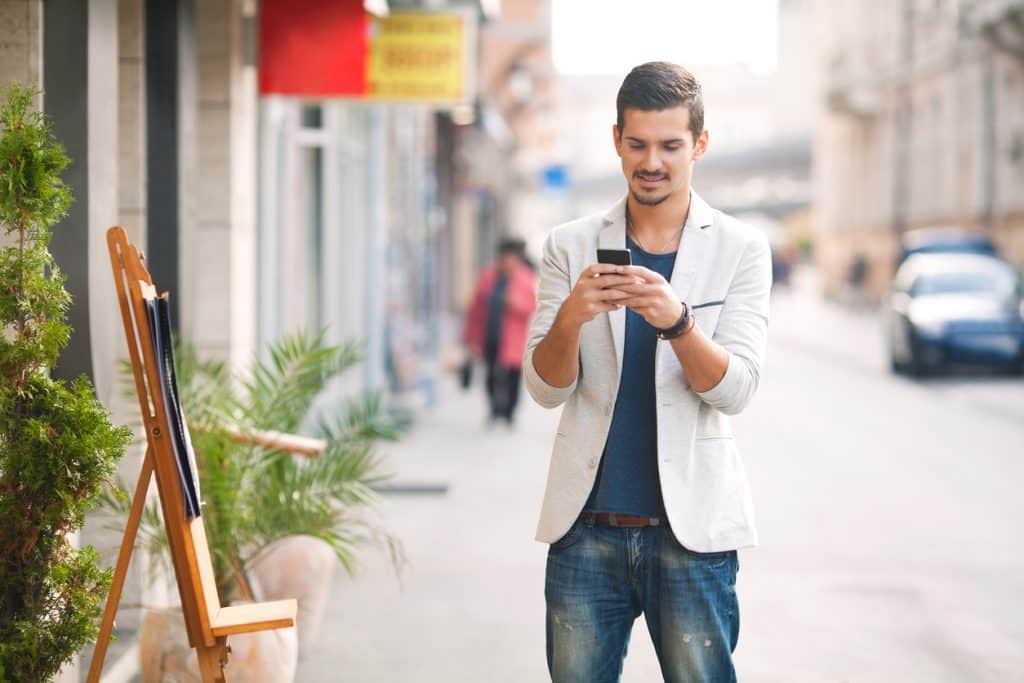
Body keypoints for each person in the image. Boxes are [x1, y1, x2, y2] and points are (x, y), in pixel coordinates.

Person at [523, 62, 771, 682]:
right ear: (616, 141)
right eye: (637, 144)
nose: (651, 161)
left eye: (670, 145)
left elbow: (736, 389)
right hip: (585, 534)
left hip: (691, 537)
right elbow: (545, 387)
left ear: (699, 145)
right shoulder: (570, 245)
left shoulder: (740, 248)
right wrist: (572, 319)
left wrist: (680, 323)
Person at [463, 238, 537, 426]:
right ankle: (494, 411)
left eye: (511, 258)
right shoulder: (488, 276)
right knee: (490, 375)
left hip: (513, 338)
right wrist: (470, 335)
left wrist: (513, 303)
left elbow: (531, 306)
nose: (507, 262)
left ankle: (509, 413)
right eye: (504, 257)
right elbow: (476, 307)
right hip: (490, 334)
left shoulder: (525, 278)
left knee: (512, 376)